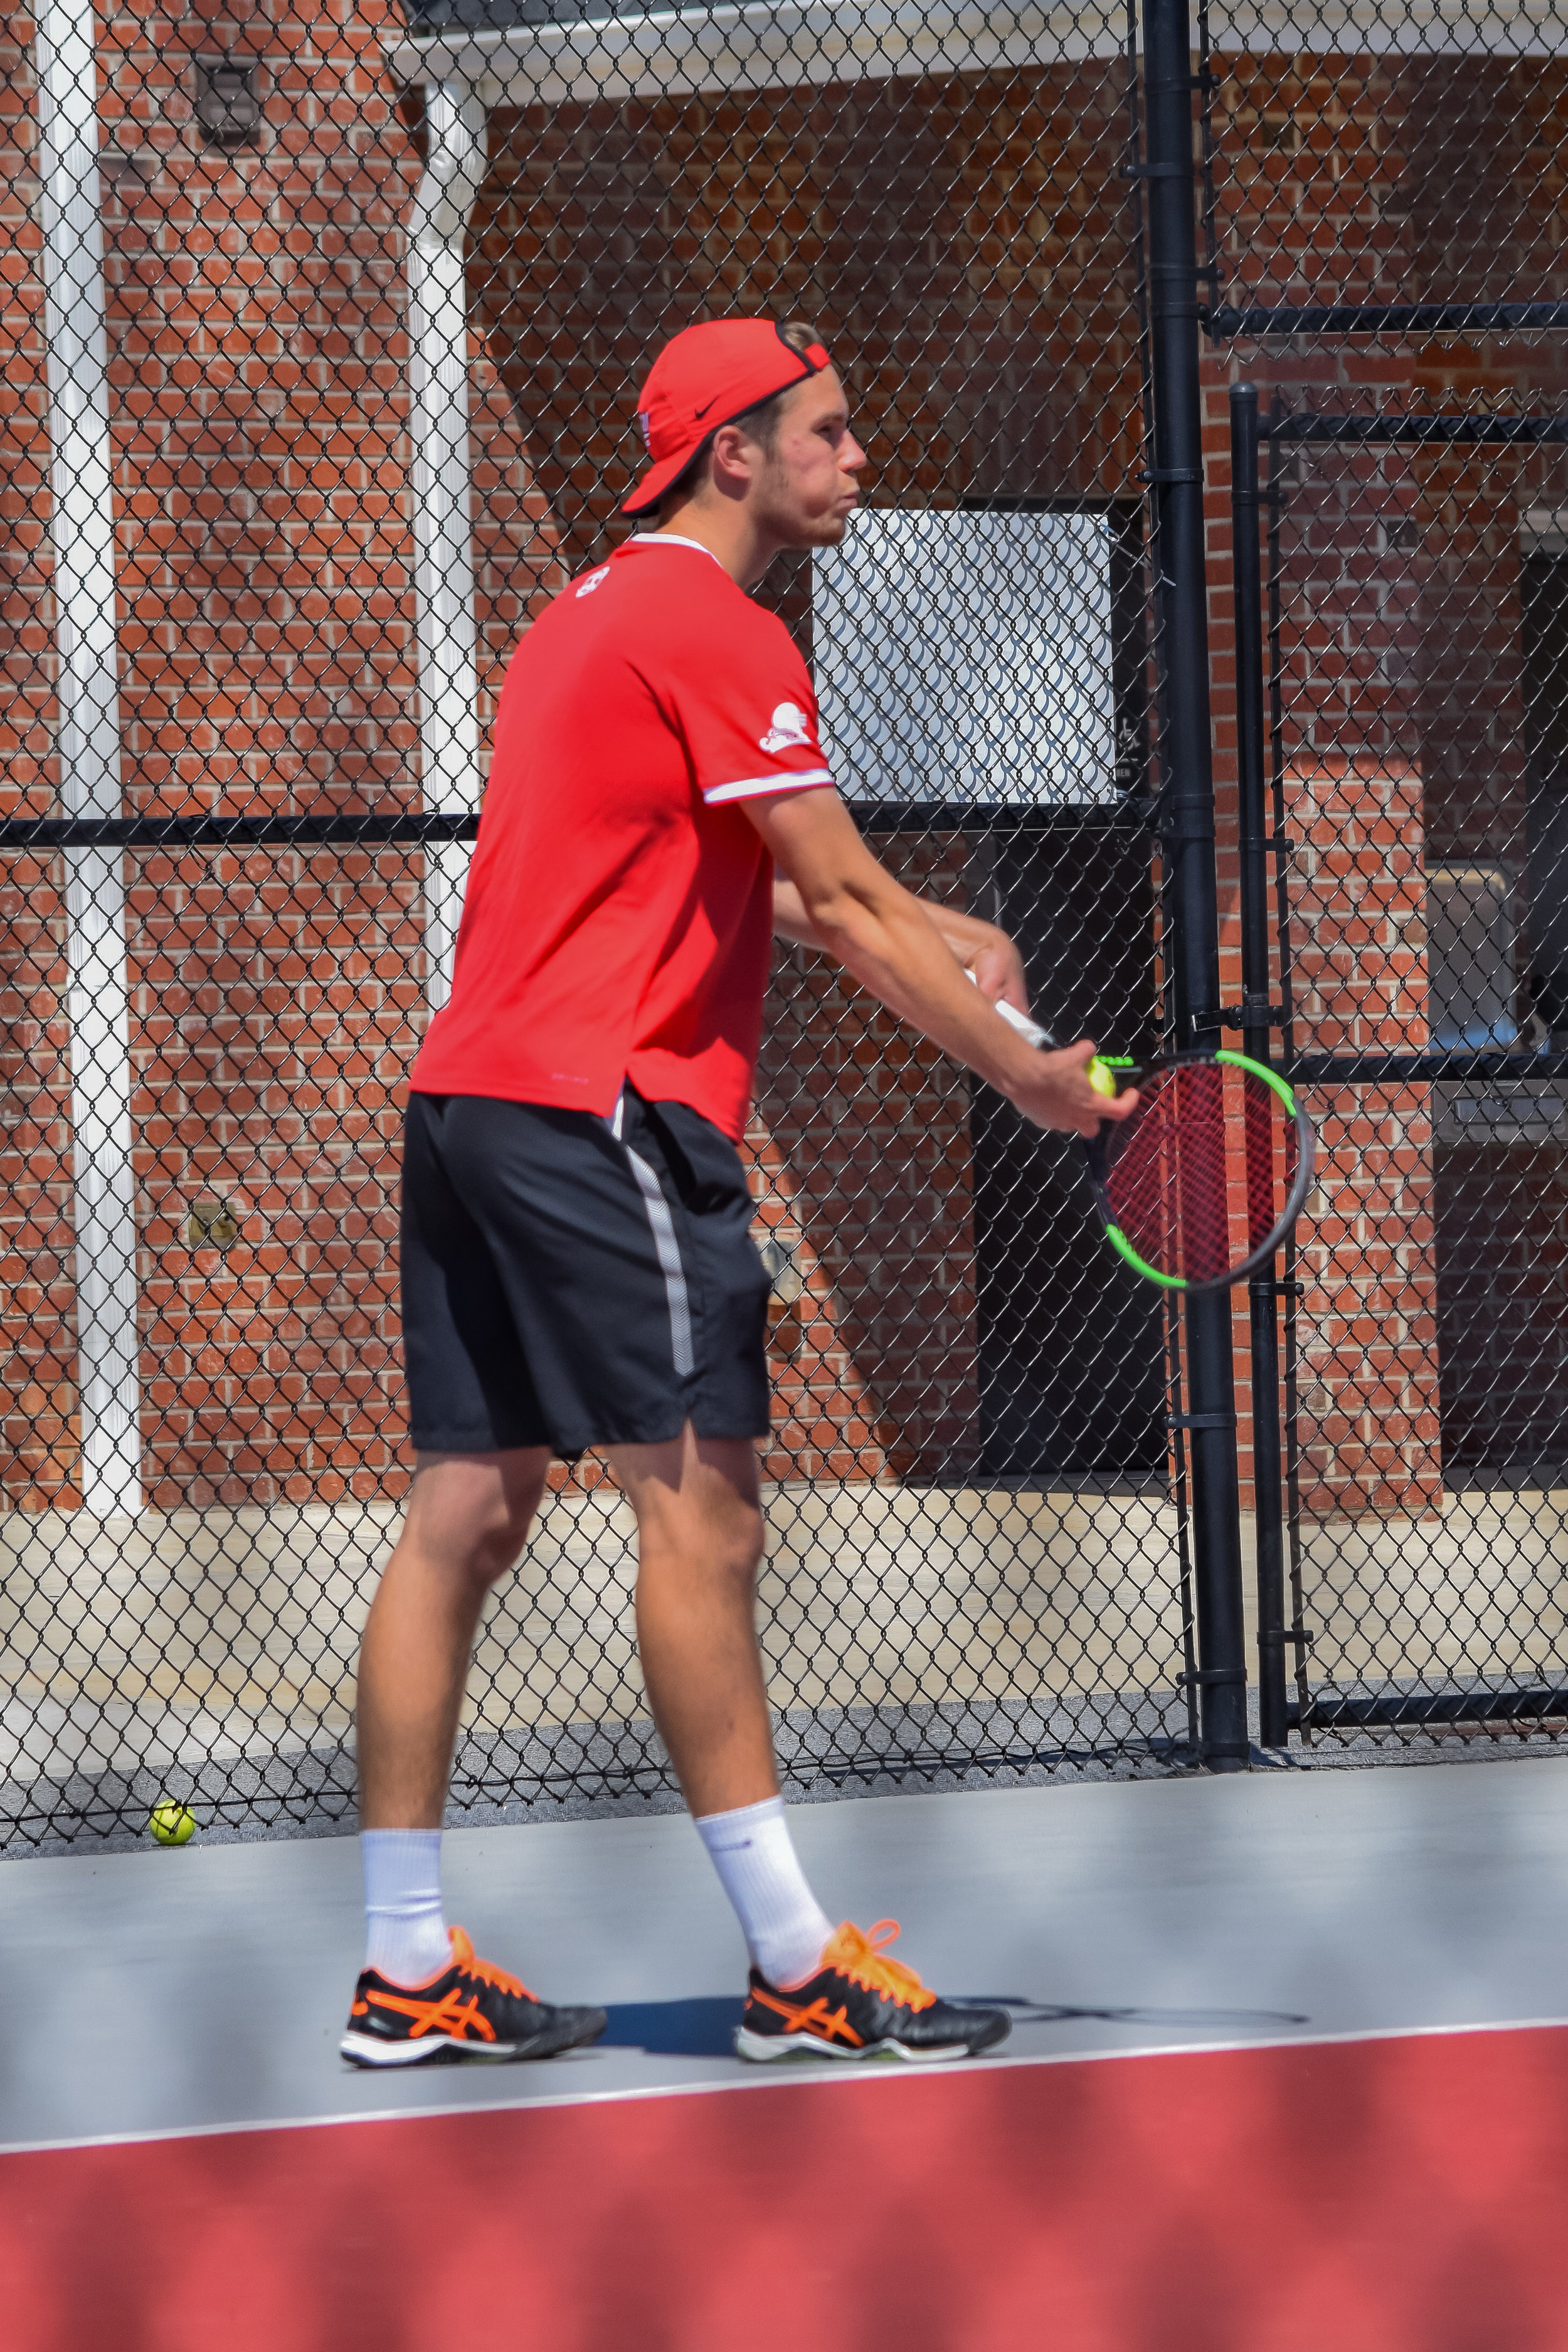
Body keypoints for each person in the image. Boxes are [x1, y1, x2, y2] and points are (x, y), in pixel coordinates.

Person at [340, 316, 1134, 2071]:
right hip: (604, 1115)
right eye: (831, 435)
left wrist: (937, 934)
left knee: (461, 1514)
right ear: (733, 455)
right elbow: (835, 897)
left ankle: (402, 1964)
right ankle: (793, 1961)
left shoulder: (583, 614)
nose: (857, 459)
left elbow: (723, 880)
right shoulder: (720, 624)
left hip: (470, 1100)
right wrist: (1021, 1073)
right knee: (705, 1514)